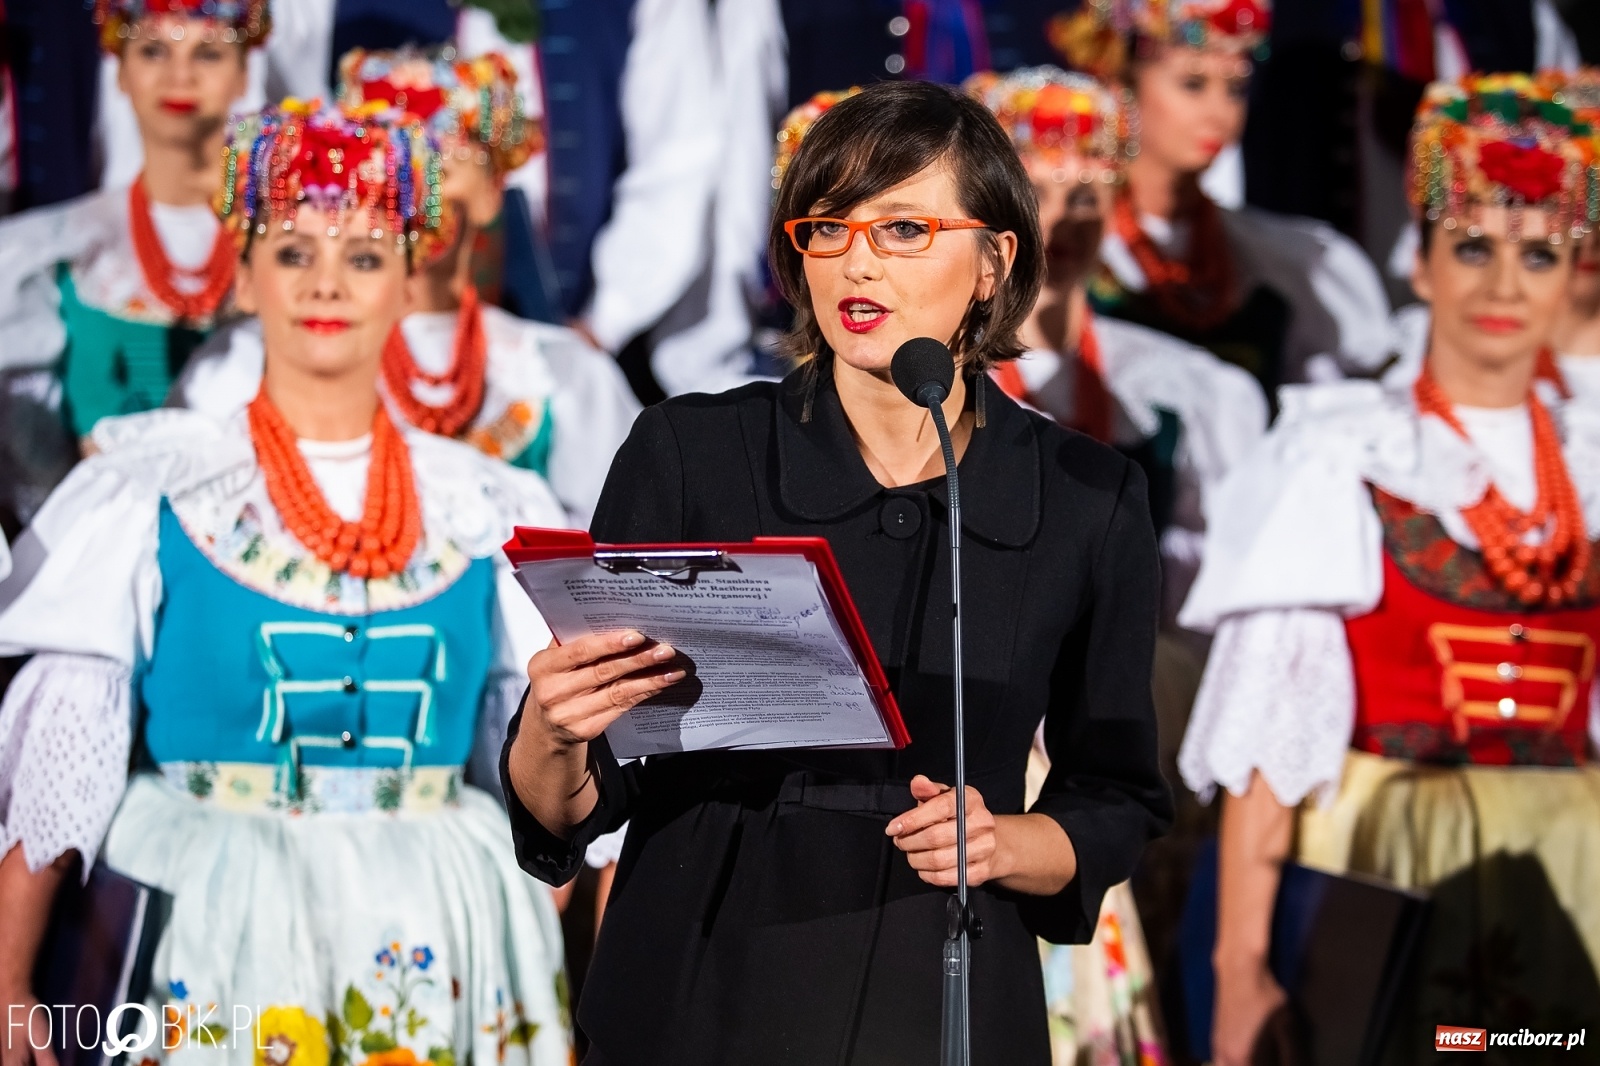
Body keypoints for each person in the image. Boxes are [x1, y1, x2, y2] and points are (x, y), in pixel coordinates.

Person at [499, 80, 1171, 1063]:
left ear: (994, 261)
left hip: (942, 982)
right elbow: (584, 797)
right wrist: (550, 730)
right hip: (698, 979)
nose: (858, 260)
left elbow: (1115, 796)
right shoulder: (691, 450)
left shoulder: (1083, 496)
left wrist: (1003, 843)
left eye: (903, 228)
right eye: (829, 227)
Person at [0, 101, 572, 1066]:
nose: (327, 286)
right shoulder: (155, 488)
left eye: (363, 255)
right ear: (247, 267)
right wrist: (12, 987)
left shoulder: (484, 502)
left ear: (407, 274)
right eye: (295, 251)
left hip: (442, 921)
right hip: (213, 913)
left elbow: (554, 779)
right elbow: (67, 760)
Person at [1177, 73, 1600, 1064]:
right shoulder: (1343, 453)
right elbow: (1269, 755)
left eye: (1537, 254)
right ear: (1419, 264)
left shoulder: (1587, 462)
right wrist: (1241, 968)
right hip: (1386, 866)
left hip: (1568, 871)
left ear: (1571, 269)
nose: (1503, 287)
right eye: (1472, 249)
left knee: (1545, 1047)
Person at [177, 47, 640, 527]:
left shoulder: (560, 375)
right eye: (394, 171)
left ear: (489, 191)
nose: (420, 194)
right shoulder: (260, 356)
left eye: (440, 162)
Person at [965, 65, 1266, 637]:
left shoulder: (1178, 386)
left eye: (1084, 197)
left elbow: (1211, 589)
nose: (1058, 222)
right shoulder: (939, 378)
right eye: (1034, 196)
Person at [0, 0, 263, 529]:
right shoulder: (48, 249)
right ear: (118, 70)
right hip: (91, 550)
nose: (180, 75)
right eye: (153, 51)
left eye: (208, 53)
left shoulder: (291, 250)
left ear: (243, 75)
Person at [1054, 0, 1393, 394]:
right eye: (1193, 84)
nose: (1220, 112)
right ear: (1122, 87)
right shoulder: (1068, 248)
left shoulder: (1286, 259)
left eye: (1235, 88)